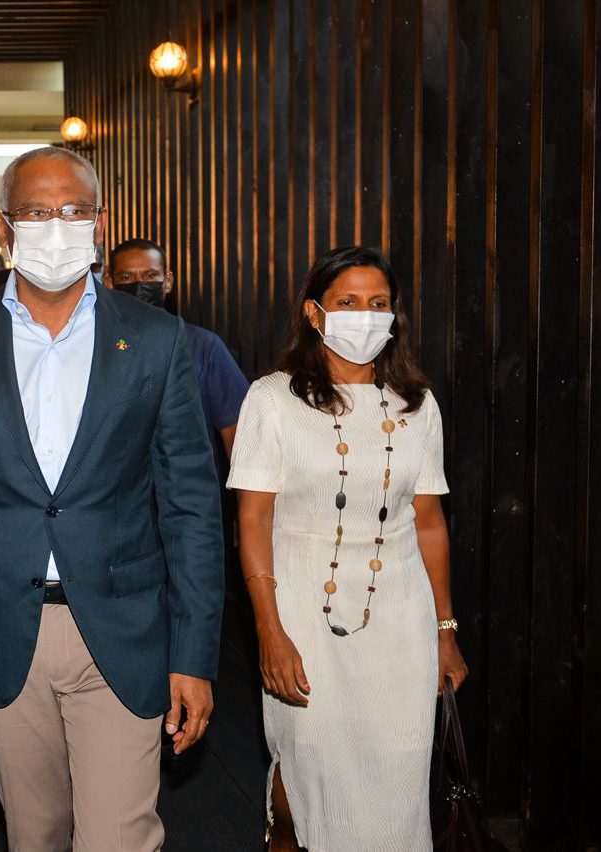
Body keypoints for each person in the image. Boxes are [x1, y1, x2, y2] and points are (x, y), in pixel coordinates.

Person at [0, 146, 224, 851]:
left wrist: (195, 652)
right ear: (3, 228)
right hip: (0, 622)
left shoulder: (156, 339)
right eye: (35, 212)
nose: (56, 226)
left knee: (117, 838)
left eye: (73, 210)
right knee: (35, 834)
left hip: (124, 624)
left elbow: (191, 506)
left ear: (99, 222)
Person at [228, 246, 469, 851]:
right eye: (348, 302)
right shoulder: (272, 399)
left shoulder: (417, 406)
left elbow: (429, 522)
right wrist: (270, 631)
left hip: (401, 621)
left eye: (378, 303)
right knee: (306, 770)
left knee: (399, 777)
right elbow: (252, 521)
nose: (365, 315)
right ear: (315, 313)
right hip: (303, 615)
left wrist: (445, 631)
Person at [105, 237, 249, 463]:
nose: (139, 285)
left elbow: (237, 431)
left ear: (168, 281)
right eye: (126, 277)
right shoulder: (99, 346)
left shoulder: (202, 346)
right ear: (109, 283)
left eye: (150, 276)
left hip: (189, 478)